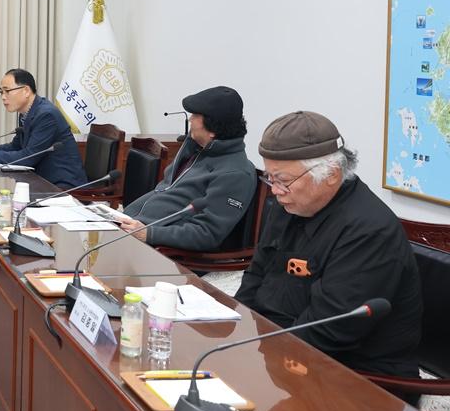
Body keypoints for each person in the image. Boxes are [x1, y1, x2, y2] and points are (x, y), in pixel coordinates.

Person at [235, 111, 421, 378]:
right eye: (270, 178)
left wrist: (254, 359)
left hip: (353, 377)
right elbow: (256, 276)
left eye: (284, 181)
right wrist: (236, 327)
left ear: (332, 174)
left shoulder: (368, 231)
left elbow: (329, 331)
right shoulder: (288, 204)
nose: (274, 190)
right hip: (280, 350)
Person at [115, 86, 256, 250]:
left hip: (159, 248)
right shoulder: (197, 151)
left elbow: (207, 233)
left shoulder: (235, 174)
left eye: (195, 115)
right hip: (131, 230)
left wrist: (149, 233)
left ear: (213, 130)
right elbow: (163, 193)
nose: (190, 119)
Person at [0, 68, 86, 188]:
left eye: (7, 91)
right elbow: (15, 147)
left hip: (62, 186)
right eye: (1, 92)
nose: (3, 97)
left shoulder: (47, 115)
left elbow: (29, 157)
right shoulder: (26, 113)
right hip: (40, 182)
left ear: (26, 91)